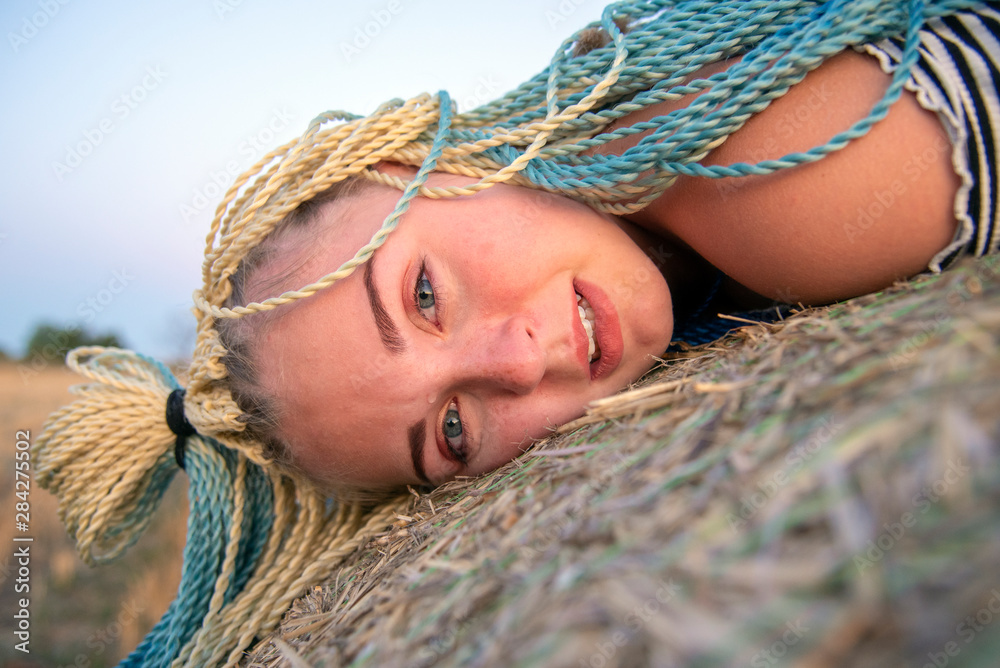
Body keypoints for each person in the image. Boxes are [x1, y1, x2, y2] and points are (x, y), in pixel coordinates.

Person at [32, 1, 998, 665]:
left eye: (421, 297)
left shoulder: (749, 183)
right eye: (452, 432)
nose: (515, 360)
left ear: (425, 160)